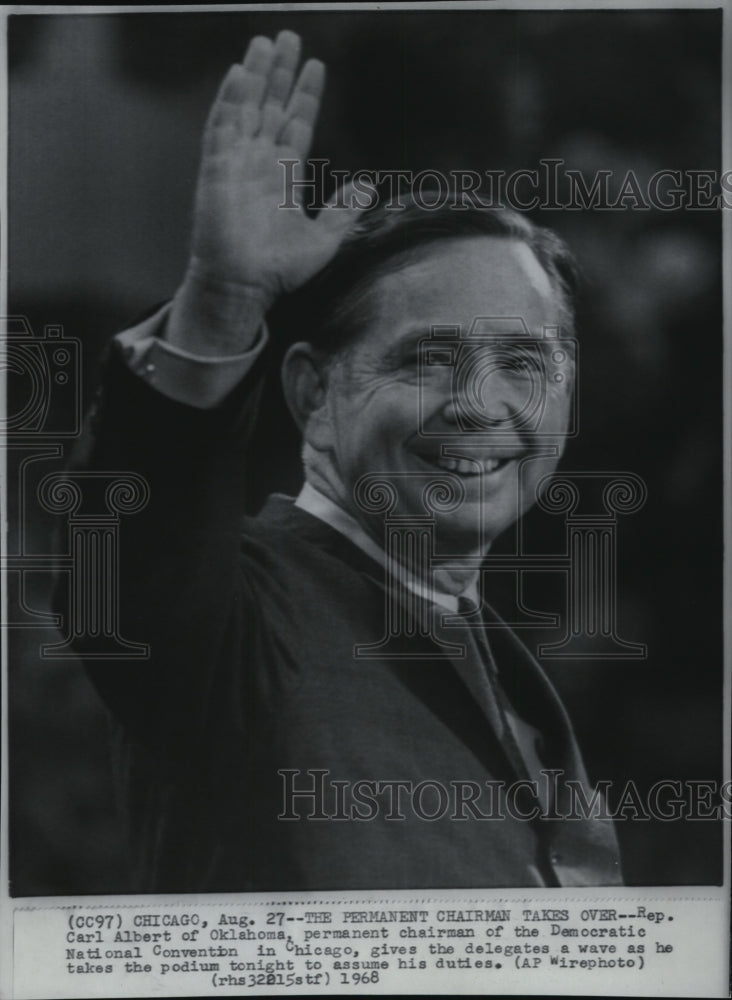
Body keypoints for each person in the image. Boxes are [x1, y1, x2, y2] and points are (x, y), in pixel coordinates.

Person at [62, 29, 622, 892]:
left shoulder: (500, 658)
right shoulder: (228, 619)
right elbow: (137, 565)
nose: (481, 403)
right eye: (428, 358)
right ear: (312, 393)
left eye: (524, 364)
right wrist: (221, 304)